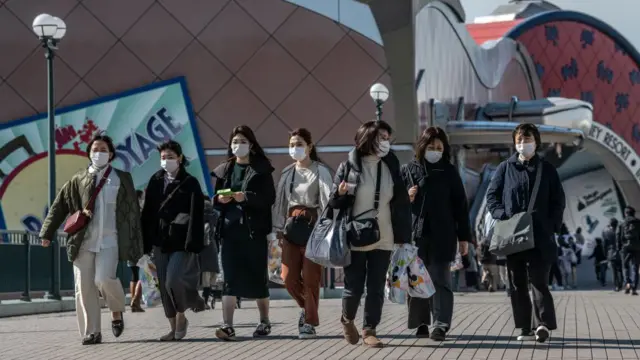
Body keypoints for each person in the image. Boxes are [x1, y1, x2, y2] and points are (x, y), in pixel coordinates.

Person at [39, 134, 143, 345]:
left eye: (103, 149)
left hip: (110, 240)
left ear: (111, 154)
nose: (98, 153)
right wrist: (47, 232)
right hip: (83, 241)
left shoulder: (122, 178)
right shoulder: (79, 179)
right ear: (89, 153)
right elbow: (60, 206)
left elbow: (132, 211)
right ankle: (92, 332)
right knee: (83, 287)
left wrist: (137, 239)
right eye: (95, 149)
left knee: (103, 279)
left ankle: (116, 310)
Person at [329, 120, 412, 348]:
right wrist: (340, 192)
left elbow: (399, 203)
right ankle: (347, 320)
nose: (385, 142)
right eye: (381, 137)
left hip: (384, 234)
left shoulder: (391, 164)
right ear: (368, 138)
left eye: (387, 138)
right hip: (356, 235)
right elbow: (334, 202)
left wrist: (404, 235)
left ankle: (369, 329)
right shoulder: (349, 165)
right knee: (354, 286)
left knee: (376, 286)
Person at [485, 123, 565, 343]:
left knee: (539, 281)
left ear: (536, 142)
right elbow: (492, 197)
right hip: (514, 236)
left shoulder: (547, 169)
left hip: (540, 236)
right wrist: (503, 215)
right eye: (519, 140)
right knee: (517, 282)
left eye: (527, 139)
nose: (523, 144)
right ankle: (524, 327)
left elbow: (559, 200)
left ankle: (544, 325)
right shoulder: (505, 168)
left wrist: (552, 226)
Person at [401, 126, 470, 341]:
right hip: (415, 234)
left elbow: (461, 206)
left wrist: (464, 238)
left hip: (443, 234)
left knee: (440, 280)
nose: (435, 151)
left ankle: (441, 324)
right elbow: (392, 203)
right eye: (431, 147)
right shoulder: (408, 170)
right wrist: (406, 197)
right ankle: (421, 323)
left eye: (439, 148)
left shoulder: (449, 172)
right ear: (422, 147)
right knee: (417, 281)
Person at [211, 125, 276, 341]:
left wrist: (246, 197)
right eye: (235, 141)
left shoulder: (262, 169)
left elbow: (269, 198)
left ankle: (264, 321)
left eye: (243, 141)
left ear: (251, 144)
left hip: (253, 232)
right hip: (229, 232)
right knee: (229, 279)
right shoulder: (225, 169)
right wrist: (220, 200)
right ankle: (227, 325)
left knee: (257, 277)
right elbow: (215, 200)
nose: (238, 146)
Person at [141, 140, 206, 341]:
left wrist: (193, 242)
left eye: (170, 157)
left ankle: (182, 314)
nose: (166, 161)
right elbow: (148, 213)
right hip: (160, 240)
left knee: (173, 279)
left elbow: (197, 214)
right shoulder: (155, 180)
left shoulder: (190, 182)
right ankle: (173, 325)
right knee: (163, 283)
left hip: (181, 241)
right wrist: (145, 243)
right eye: (163, 157)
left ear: (179, 158)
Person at [272, 128, 333, 339]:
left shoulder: (320, 171)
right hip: (290, 227)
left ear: (309, 146)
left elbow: (327, 200)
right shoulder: (288, 173)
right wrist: (277, 230)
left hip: (314, 227)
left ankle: (309, 322)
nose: (295, 148)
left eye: (299, 144)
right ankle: (307, 308)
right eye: (291, 145)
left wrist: (327, 230)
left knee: (310, 277)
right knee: (287, 278)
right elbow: (280, 203)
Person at [200, 195, 220, 309]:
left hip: (202, 248)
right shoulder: (215, 215)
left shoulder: (199, 215)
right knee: (213, 274)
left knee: (205, 277)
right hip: (213, 246)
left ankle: (205, 300)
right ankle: (211, 297)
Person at [128, 190, 146, 313]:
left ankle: (132, 302)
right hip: (141, 245)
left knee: (134, 274)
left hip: (130, 246)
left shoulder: (128, 211)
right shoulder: (142, 211)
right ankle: (136, 300)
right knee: (143, 274)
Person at [618, 206, 640, 295]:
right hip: (637, 247)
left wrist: (619, 247)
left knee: (625, 266)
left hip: (625, 248)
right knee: (635, 267)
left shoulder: (622, 223)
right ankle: (634, 288)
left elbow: (618, 236)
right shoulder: (639, 222)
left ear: (625, 213)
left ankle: (627, 284)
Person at [603, 218, 622, 291]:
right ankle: (621, 284)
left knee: (614, 271)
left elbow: (604, 244)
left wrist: (605, 254)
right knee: (620, 270)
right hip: (620, 253)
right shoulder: (620, 231)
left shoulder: (606, 232)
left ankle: (617, 285)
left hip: (611, 253)